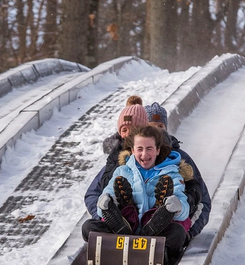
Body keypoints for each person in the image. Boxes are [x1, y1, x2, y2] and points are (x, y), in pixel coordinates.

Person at [84, 99, 211, 243]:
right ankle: (122, 224)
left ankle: (158, 222)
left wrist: (186, 229)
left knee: (176, 231)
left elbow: (201, 198)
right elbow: (96, 192)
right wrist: (104, 211)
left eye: (160, 126)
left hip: (162, 225)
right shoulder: (122, 164)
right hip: (126, 220)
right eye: (152, 126)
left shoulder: (174, 164)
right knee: (89, 227)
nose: (156, 130)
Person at [82, 125, 192, 262]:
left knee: (178, 233)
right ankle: (123, 228)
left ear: (158, 150)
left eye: (149, 149)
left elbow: (184, 211)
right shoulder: (122, 171)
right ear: (132, 150)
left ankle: (154, 231)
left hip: (156, 232)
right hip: (127, 224)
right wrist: (105, 203)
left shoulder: (172, 174)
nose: (144, 155)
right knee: (89, 227)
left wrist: (178, 206)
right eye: (139, 149)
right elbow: (106, 197)